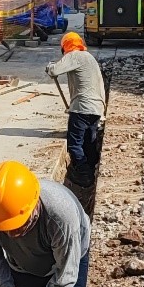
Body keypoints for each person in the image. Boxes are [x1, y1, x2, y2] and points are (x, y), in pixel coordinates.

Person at [47, 32, 107, 201]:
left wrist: (50, 67)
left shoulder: (74, 55)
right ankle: (91, 165)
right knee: (89, 141)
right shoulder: (88, 57)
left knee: (75, 144)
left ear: (65, 46)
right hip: (96, 108)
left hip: (82, 108)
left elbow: (55, 70)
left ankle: (84, 175)